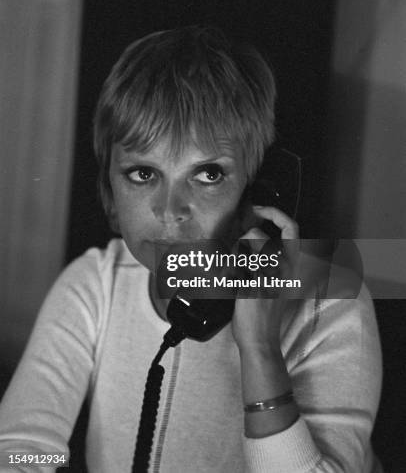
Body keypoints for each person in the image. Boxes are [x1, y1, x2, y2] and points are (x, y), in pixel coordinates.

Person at [0, 26, 382, 472]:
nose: (169, 211)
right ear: (110, 189)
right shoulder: (96, 284)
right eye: (143, 174)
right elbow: (19, 449)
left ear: (259, 190)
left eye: (207, 175)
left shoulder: (333, 302)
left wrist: (259, 349)